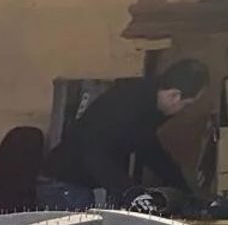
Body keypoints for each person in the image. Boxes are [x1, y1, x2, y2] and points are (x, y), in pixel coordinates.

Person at [39, 59, 209, 209]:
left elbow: (150, 151)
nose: (183, 111)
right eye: (186, 105)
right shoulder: (129, 102)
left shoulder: (149, 106)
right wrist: (130, 191)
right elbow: (93, 151)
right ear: (175, 96)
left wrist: (185, 191)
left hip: (80, 185)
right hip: (65, 185)